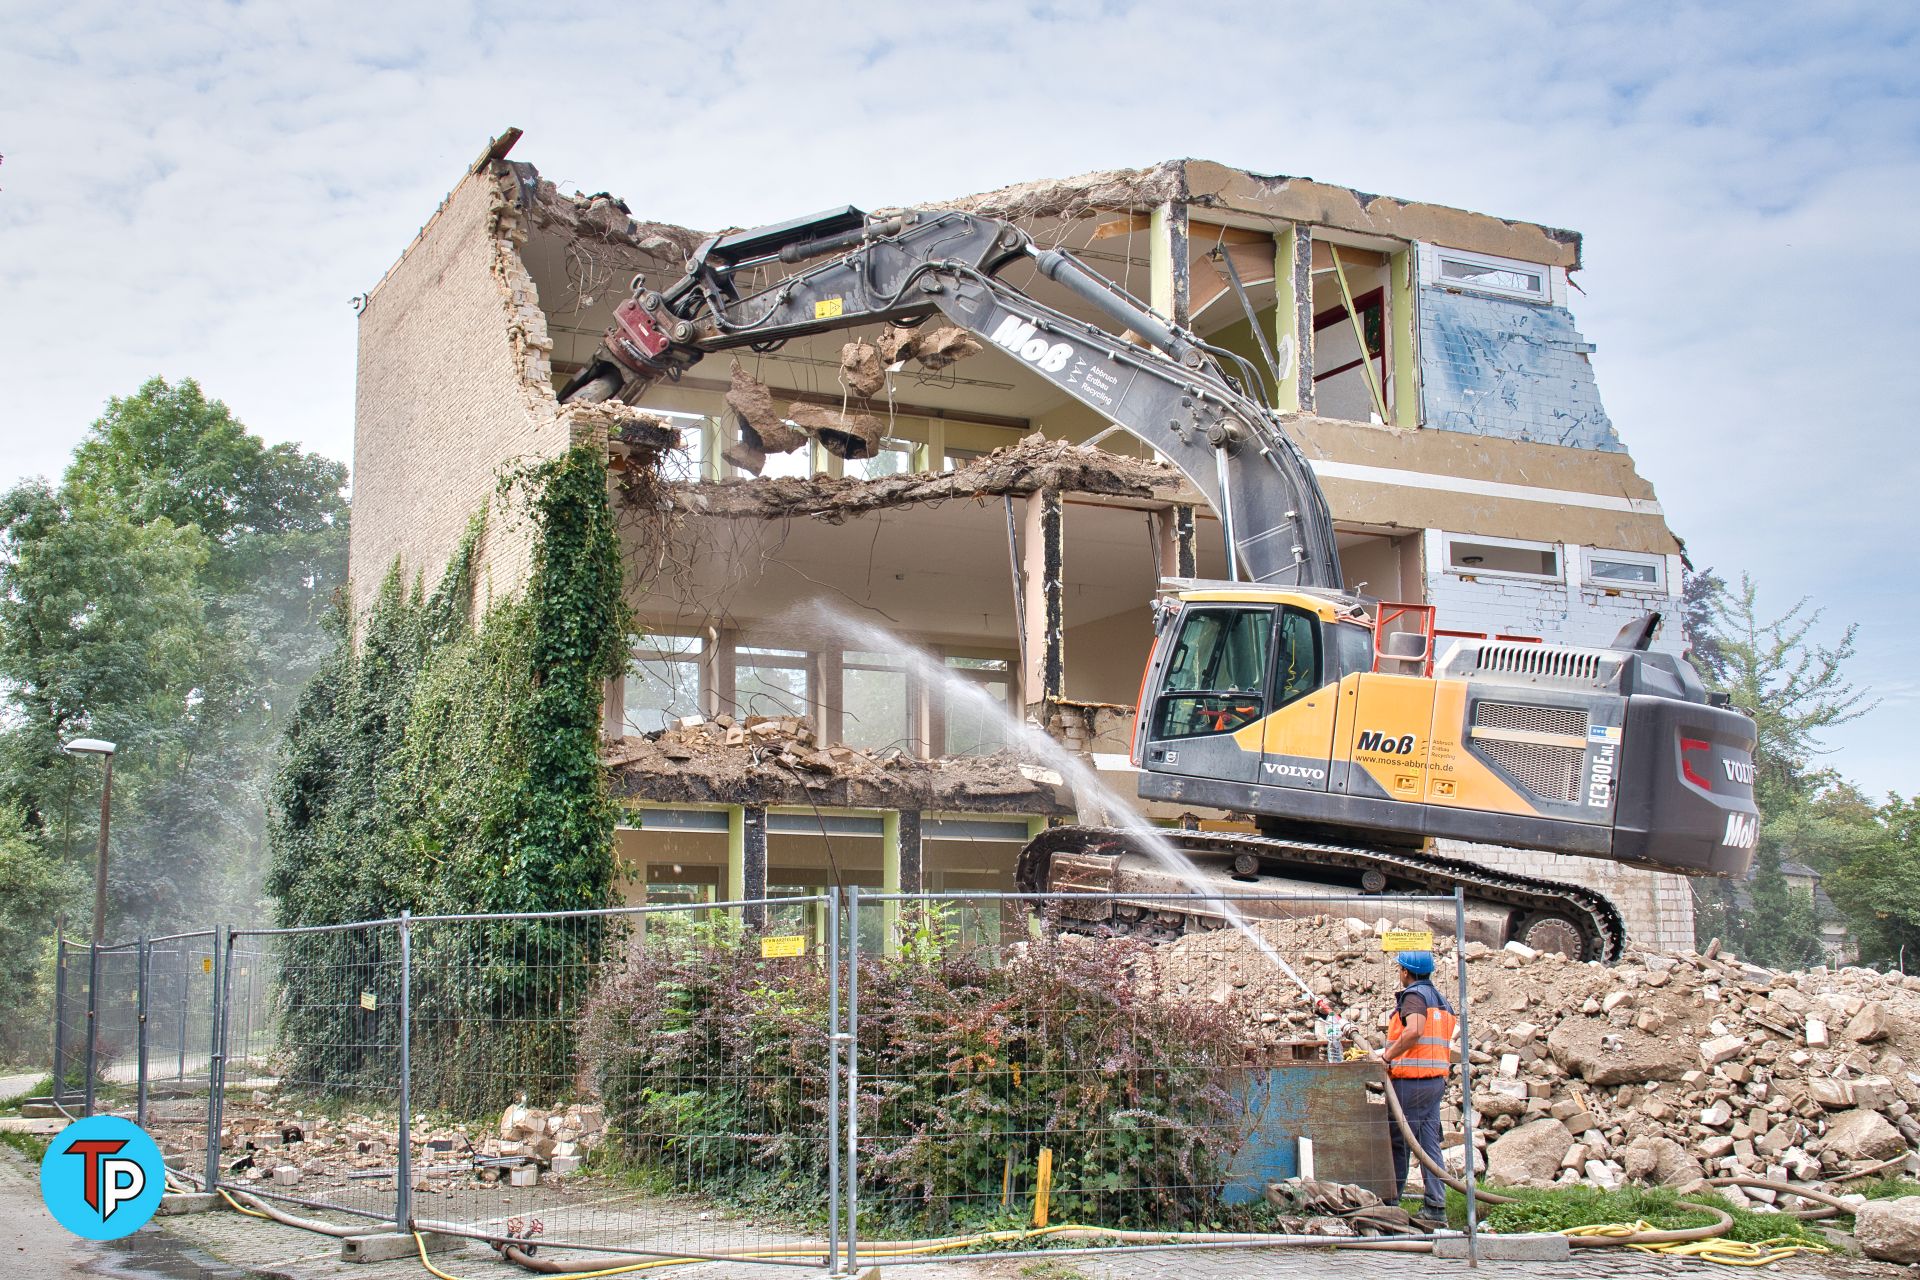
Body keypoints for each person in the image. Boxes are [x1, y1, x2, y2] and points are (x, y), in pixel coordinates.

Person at [1380, 949, 1456, 1229]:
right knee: (1427, 1143)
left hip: (1411, 1081)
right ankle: (1436, 1206)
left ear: (1406, 972)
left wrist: (1387, 1057)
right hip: (1434, 1080)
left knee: (1399, 1141)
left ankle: (1390, 1203)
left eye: (1400, 969)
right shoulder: (1442, 1001)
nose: (1399, 973)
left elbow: (1414, 1032)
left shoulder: (1414, 997)